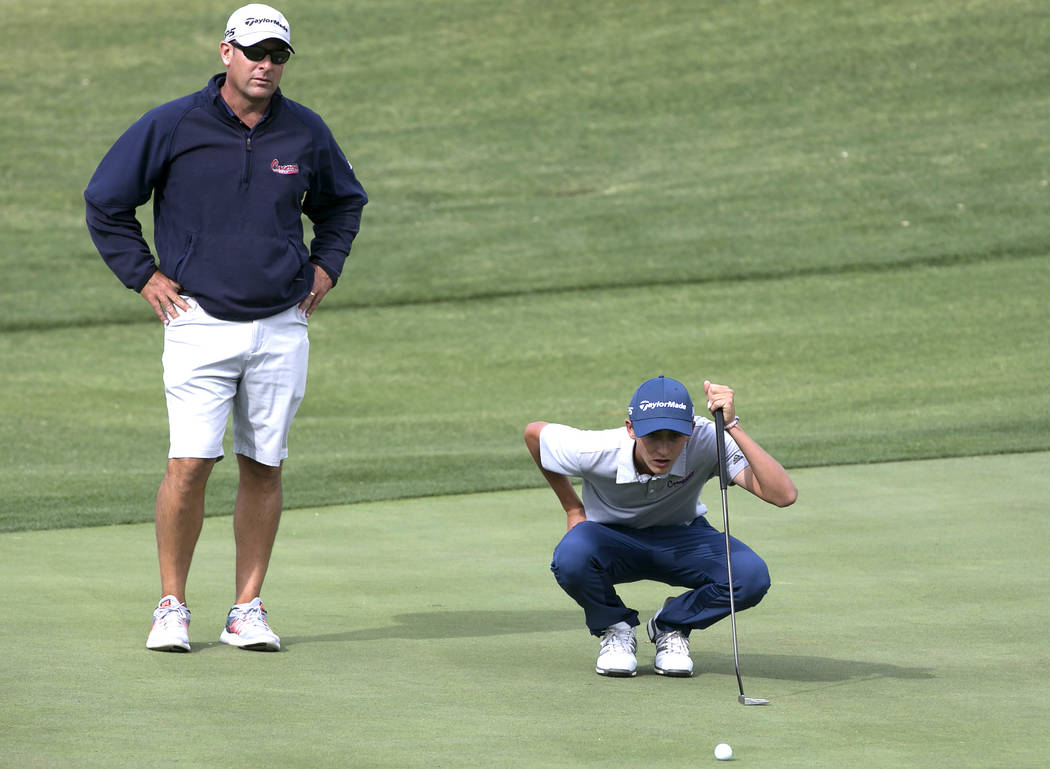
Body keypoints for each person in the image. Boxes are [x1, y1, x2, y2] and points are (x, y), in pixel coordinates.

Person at [84, 4, 367, 652]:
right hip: (198, 321)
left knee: (263, 465)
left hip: (281, 324)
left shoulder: (304, 130)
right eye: (254, 53)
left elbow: (344, 202)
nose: (265, 65)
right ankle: (171, 605)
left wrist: (327, 266)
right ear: (226, 53)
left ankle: (246, 609)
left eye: (277, 56)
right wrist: (144, 275)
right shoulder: (173, 124)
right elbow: (106, 199)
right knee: (189, 463)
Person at [524, 375, 797, 677]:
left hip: (683, 538)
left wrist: (731, 427)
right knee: (570, 556)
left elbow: (782, 495)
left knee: (750, 576)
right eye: (653, 436)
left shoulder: (707, 438)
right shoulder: (594, 450)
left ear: (690, 430)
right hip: (610, 541)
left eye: (675, 436)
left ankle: (672, 624)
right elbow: (534, 435)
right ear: (631, 429)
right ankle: (616, 627)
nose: (663, 449)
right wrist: (572, 508)